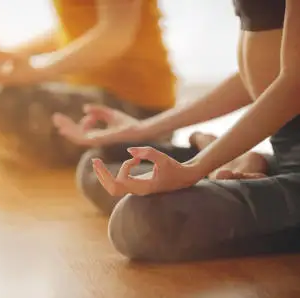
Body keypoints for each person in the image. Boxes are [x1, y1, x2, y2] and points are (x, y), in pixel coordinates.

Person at [55, 0, 300, 262]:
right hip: (287, 159)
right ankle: (248, 163)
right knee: (103, 160)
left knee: (141, 221)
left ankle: (236, 165)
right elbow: (254, 76)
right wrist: (142, 129)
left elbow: (292, 86)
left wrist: (194, 167)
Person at [0, 0, 188, 168]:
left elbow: (115, 33)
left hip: (136, 108)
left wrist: (38, 72)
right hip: (82, 87)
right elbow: (71, 32)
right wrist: (13, 55)